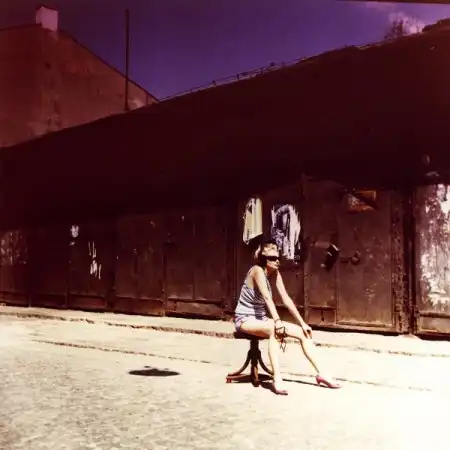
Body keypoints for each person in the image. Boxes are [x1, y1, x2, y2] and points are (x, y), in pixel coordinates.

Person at [234, 239, 341, 395]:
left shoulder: (275, 273)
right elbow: (267, 298)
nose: (277, 261)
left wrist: (303, 323)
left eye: (278, 258)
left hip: (261, 319)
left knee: (303, 333)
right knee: (274, 330)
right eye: (272, 258)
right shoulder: (257, 270)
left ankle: (322, 374)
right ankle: (277, 379)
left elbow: (286, 298)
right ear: (263, 259)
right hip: (245, 319)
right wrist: (277, 321)